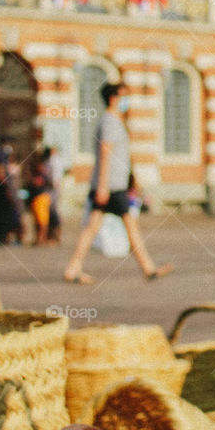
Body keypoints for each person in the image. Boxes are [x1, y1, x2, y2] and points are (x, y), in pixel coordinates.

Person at [64, 81, 174, 284]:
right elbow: (106, 152)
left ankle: (73, 267)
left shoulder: (114, 120)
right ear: (114, 98)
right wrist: (104, 185)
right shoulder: (110, 122)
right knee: (126, 226)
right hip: (111, 187)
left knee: (95, 227)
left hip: (113, 185)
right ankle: (147, 268)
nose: (127, 101)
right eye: (124, 96)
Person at [27, 153, 52, 245]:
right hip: (35, 198)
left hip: (42, 197)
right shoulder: (34, 174)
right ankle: (38, 237)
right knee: (37, 220)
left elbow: (50, 184)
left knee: (43, 221)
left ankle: (42, 238)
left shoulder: (44, 174)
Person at [42, 145, 63, 243]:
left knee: (53, 211)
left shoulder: (54, 161)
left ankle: (55, 235)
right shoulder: (50, 160)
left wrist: (53, 183)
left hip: (52, 188)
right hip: (50, 188)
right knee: (50, 211)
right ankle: (52, 235)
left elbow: (54, 176)